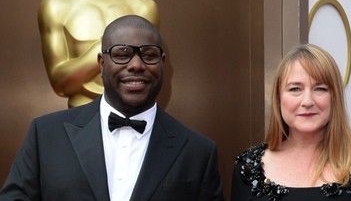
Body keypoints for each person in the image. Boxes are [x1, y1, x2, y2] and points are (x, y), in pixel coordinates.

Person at [0, 15, 224, 200]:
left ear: (162, 63)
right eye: (122, 54)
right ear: (101, 63)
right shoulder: (45, 135)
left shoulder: (198, 152)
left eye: (149, 55)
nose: (136, 65)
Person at [231, 44, 351, 201]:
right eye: (295, 89)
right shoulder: (247, 168)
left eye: (320, 88)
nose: (307, 101)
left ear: (334, 98)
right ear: (278, 97)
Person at [38, 0, 159, 108]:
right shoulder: (55, 7)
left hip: (136, 113)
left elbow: (151, 72)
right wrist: (108, 47)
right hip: (83, 114)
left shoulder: (144, 7)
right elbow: (60, 84)